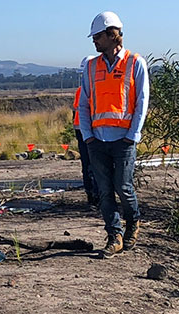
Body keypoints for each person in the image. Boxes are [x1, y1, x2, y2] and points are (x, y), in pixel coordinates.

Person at [78, 11, 149, 256]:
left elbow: (142, 102)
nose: (94, 41)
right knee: (105, 191)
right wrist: (88, 136)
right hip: (97, 140)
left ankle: (133, 223)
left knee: (124, 187)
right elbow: (84, 104)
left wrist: (133, 135)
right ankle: (114, 236)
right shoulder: (90, 66)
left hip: (123, 141)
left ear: (112, 35)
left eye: (98, 36)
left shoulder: (135, 62)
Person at [73, 56, 99, 210]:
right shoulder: (91, 89)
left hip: (82, 129)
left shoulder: (81, 89)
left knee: (88, 164)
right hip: (89, 130)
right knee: (93, 165)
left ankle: (92, 196)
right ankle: (94, 196)